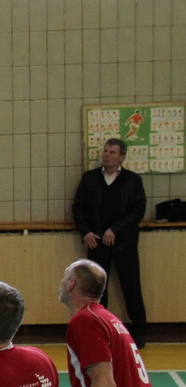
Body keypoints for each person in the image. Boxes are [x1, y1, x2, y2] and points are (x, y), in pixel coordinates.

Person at [72, 138, 147, 347]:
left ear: (121, 157)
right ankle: (99, 330)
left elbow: (137, 211)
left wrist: (115, 229)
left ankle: (139, 331)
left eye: (112, 152)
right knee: (97, 290)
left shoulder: (132, 180)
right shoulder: (90, 178)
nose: (106, 155)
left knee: (131, 286)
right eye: (105, 151)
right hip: (96, 242)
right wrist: (86, 232)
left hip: (124, 242)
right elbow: (78, 208)